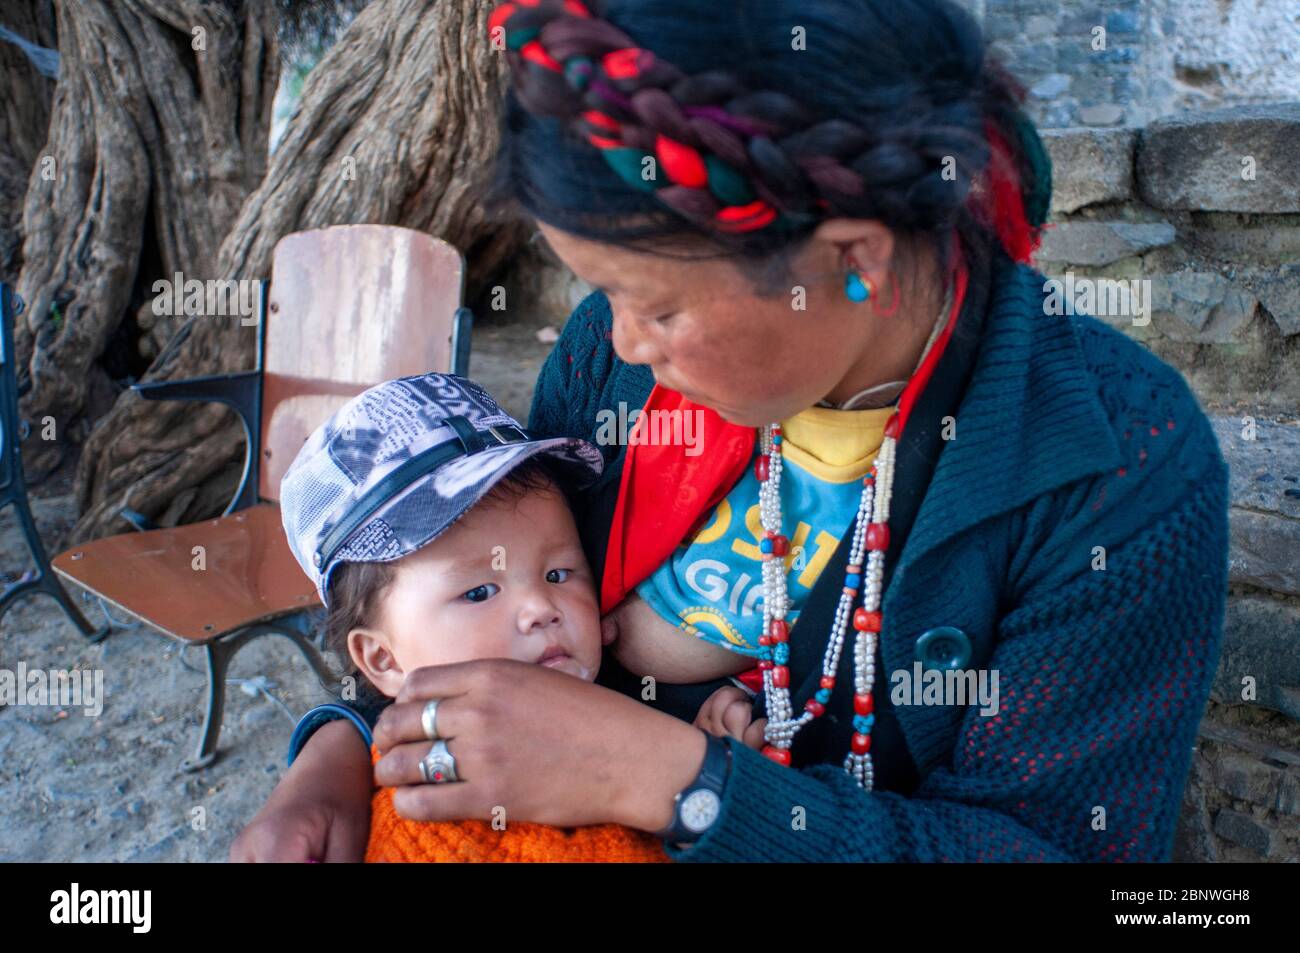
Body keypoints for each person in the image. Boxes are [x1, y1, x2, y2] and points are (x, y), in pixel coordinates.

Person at [231, 0, 1230, 863]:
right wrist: (339, 756)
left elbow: (1051, 846)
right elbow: (477, 598)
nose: (619, 336)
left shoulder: (1117, 466)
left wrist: (682, 782)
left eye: (657, 306)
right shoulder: (612, 368)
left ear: (855, 262)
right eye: (601, 291)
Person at [277, 372, 763, 861]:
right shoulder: (429, 828)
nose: (541, 609)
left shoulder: (625, 717)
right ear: (382, 659)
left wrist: (694, 776)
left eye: (559, 574)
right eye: (480, 591)